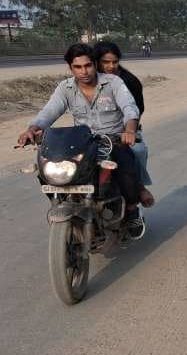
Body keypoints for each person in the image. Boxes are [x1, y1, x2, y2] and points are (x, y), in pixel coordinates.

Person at [17, 43, 144, 234]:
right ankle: (62, 203)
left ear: (94, 64)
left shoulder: (113, 83)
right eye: (77, 67)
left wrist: (130, 130)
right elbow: (49, 111)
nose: (84, 71)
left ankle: (132, 212)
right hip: (83, 142)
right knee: (48, 166)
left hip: (112, 141)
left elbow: (129, 107)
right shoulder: (65, 87)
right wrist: (32, 129)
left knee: (126, 164)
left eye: (88, 65)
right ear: (70, 68)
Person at [93, 41, 154, 207]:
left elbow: (136, 109)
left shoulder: (129, 81)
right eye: (106, 62)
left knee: (138, 150)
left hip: (123, 131)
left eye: (114, 61)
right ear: (96, 62)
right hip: (94, 134)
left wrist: (129, 130)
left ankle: (139, 188)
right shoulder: (87, 81)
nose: (111, 66)